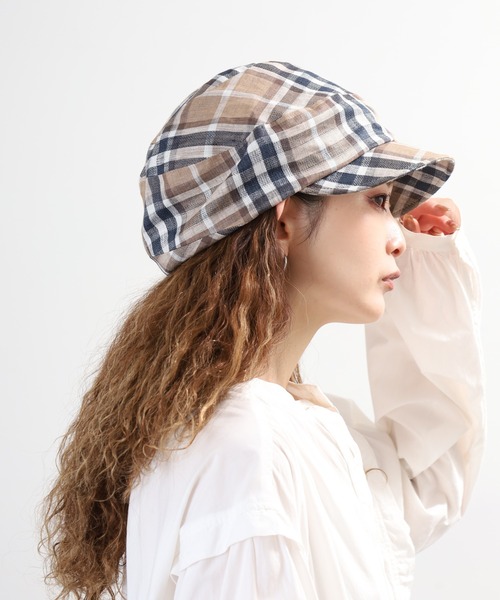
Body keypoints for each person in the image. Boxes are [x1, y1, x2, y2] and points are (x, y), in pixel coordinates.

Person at [41, 61, 485, 599]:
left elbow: (424, 487)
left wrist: (428, 266)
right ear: (282, 221)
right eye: (378, 201)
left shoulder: (284, 425)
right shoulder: (250, 445)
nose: (399, 237)